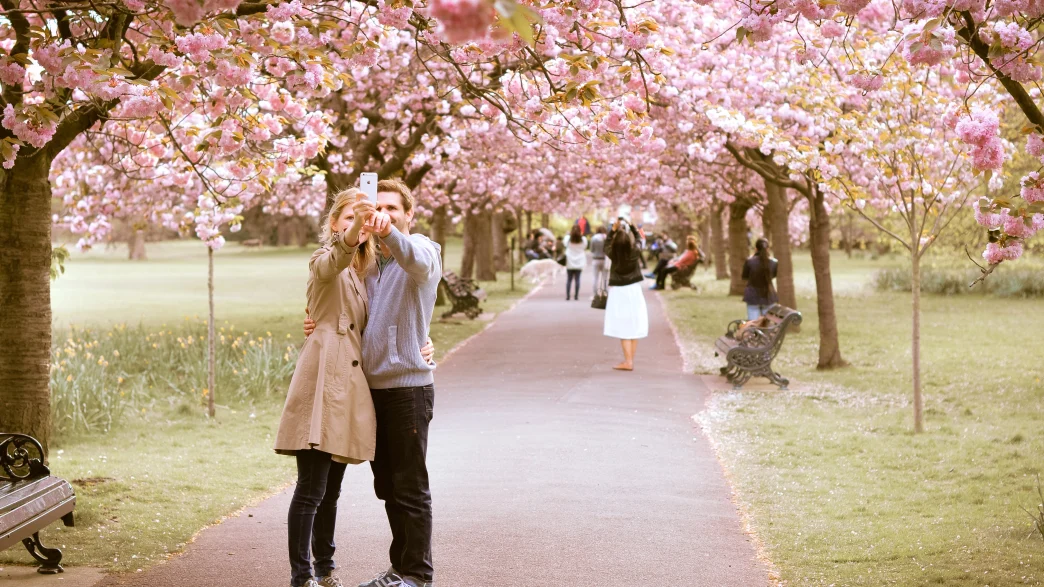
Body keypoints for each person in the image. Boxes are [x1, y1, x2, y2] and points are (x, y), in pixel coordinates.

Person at [275, 188, 435, 587]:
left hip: (385, 389)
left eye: (390, 209)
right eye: (364, 213)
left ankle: (410, 574)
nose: (375, 217)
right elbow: (332, 272)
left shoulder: (409, 252)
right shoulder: (355, 264)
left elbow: (416, 274)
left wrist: (421, 342)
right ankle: (315, 575)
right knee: (359, 489)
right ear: (335, 223)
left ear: (408, 214)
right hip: (342, 386)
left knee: (399, 489)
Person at [604, 218, 648, 371]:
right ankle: (629, 361)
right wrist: (633, 227)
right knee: (633, 325)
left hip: (618, 291)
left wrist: (613, 230)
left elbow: (606, 244)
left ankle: (628, 362)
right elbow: (639, 240)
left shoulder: (613, 254)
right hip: (634, 289)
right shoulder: (634, 252)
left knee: (623, 326)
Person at [742, 237, 779, 320]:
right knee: (768, 324)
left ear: (756, 249)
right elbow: (773, 276)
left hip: (752, 296)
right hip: (769, 296)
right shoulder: (774, 262)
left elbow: (745, 277)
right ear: (768, 249)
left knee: (754, 323)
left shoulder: (749, 261)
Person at [563, 224, 588, 300]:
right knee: (577, 279)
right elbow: (585, 246)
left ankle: (568, 296)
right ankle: (576, 296)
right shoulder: (583, 239)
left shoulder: (568, 239)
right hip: (579, 261)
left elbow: (564, 244)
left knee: (569, 279)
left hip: (569, 261)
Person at [589, 225, 608, 294]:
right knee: (605, 278)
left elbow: (592, 250)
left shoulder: (594, 238)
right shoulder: (607, 237)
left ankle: (595, 293)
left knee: (595, 278)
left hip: (596, 259)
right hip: (605, 259)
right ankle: (605, 292)